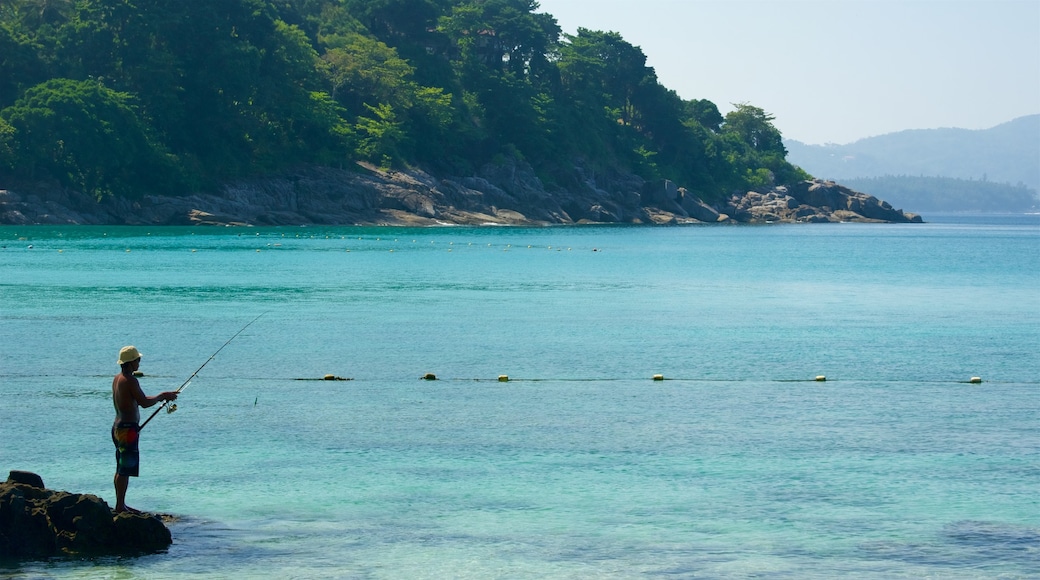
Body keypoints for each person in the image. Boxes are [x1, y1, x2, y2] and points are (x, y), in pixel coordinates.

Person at [111, 345, 178, 514]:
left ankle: (120, 503)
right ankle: (120, 506)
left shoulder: (117, 378)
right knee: (124, 469)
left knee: (121, 467)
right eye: (138, 360)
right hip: (127, 429)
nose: (139, 362)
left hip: (117, 427)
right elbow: (144, 402)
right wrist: (162, 396)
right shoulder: (130, 380)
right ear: (130, 362)